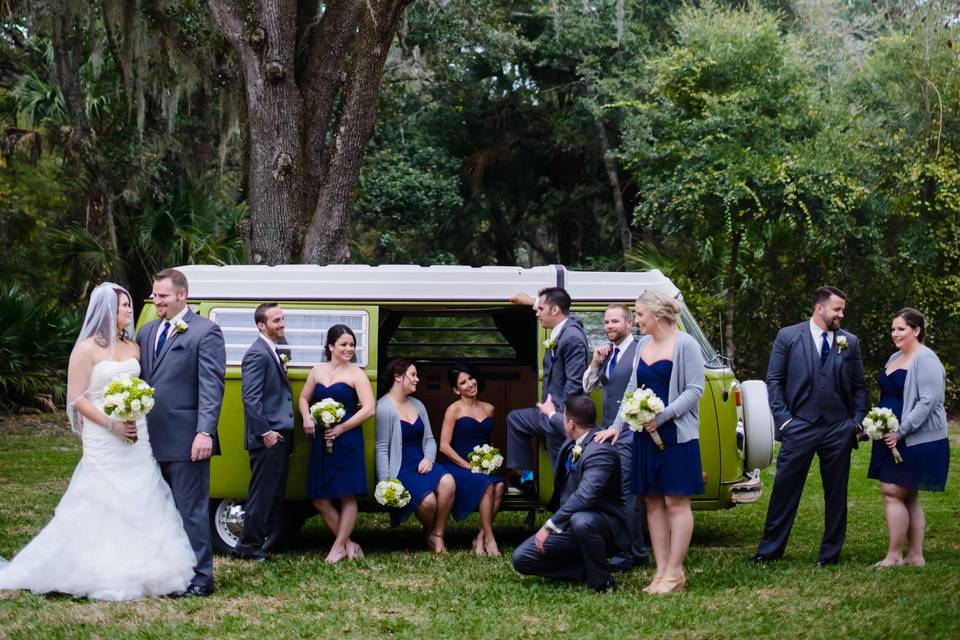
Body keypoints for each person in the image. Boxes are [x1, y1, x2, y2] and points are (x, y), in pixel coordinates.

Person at [0, 283, 195, 600]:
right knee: (102, 495)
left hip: (137, 431)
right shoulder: (86, 349)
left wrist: (136, 409)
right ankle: (93, 568)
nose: (129, 311)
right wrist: (111, 424)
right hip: (102, 434)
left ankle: (148, 566)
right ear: (108, 311)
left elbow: (140, 385)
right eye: (124, 306)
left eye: (129, 305)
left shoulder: (133, 346)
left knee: (143, 492)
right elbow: (77, 399)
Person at [596, 292, 704, 593]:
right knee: (653, 502)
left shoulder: (686, 344)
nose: (638, 320)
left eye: (640, 315)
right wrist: (618, 426)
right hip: (643, 434)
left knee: (675, 501)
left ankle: (675, 572)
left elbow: (695, 390)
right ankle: (659, 572)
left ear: (657, 314)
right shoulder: (643, 344)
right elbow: (632, 388)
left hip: (676, 435)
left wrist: (664, 416)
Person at [754, 286, 867, 567]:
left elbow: (859, 387)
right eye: (837, 309)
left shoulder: (849, 342)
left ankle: (830, 555)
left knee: (836, 493)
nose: (842, 314)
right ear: (819, 309)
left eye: (842, 309)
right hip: (799, 425)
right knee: (784, 489)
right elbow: (774, 381)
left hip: (838, 428)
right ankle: (769, 551)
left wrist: (854, 423)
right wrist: (786, 421)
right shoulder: (789, 336)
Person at [136, 268, 226, 597]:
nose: (156, 301)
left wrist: (205, 432)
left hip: (188, 439)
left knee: (192, 511)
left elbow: (212, 388)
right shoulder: (146, 332)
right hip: (148, 440)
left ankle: (202, 577)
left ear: (182, 295)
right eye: (154, 295)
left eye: (162, 296)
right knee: (158, 511)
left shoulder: (206, 332)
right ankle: (168, 575)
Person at [512, 395, 628, 593]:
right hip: (570, 522)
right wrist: (550, 413)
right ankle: (584, 570)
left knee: (581, 521)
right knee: (521, 558)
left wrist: (549, 525)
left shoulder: (601, 451)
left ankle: (602, 580)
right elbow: (560, 421)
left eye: (564, 417)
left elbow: (585, 496)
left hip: (603, 525)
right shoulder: (579, 433)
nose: (562, 420)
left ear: (572, 424)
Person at [868, 308, 950, 568]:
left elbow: (928, 402)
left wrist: (901, 430)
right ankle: (915, 556)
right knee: (907, 495)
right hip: (891, 434)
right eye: (893, 329)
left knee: (892, 490)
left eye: (901, 329)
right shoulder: (896, 356)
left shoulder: (926, 359)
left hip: (917, 436)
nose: (895, 334)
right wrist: (877, 423)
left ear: (917, 330)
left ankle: (894, 556)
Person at [582, 303, 649, 571]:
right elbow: (588, 386)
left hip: (630, 433)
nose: (609, 326)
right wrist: (596, 362)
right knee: (614, 493)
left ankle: (633, 552)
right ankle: (630, 548)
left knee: (627, 495)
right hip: (608, 432)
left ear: (630, 323)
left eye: (614, 322)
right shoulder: (607, 354)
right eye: (606, 322)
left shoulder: (640, 351)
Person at [300, 324, 374, 562]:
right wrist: (306, 417)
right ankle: (349, 544)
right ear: (331, 346)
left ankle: (338, 547)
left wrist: (342, 427)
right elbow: (303, 398)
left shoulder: (357, 373)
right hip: (322, 440)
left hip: (348, 439)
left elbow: (370, 409)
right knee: (319, 498)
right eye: (343, 344)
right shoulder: (317, 370)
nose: (349, 349)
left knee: (347, 495)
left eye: (352, 344)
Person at [506, 287, 588, 495]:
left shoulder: (572, 338)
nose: (536, 312)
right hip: (546, 411)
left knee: (562, 473)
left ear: (554, 310)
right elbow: (554, 307)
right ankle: (527, 479)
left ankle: (568, 519)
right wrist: (530, 301)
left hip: (561, 417)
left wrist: (557, 416)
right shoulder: (563, 326)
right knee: (515, 419)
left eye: (540, 309)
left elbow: (574, 384)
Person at [233, 303, 294, 562]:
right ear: (261, 325)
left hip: (280, 436)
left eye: (282, 319)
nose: (281, 324)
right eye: (276, 320)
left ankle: (255, 544)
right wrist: (266, 432)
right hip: (269, 438)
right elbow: (250, 399)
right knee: (262, 493)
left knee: (273, 493)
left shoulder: (273, 350)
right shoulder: (257, 354)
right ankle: (249, 547)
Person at [375, 359, 455, 555]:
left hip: (421, 461)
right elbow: (382, 448)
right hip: (400, 466)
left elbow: (429, 439)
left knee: (448, 483)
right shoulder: (384, 407)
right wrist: (386, 482)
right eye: (413, 375)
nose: (417, 379)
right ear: (397, 376)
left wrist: (429, 458)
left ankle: (437, 534)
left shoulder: (418, 404)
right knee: (429, 503)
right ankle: (429, 532)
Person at [437, 363, 506, 556]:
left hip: (481, 465)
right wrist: (468, 466)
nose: (469, 384)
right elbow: (443, 446)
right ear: (455, 389)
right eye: (463, 382)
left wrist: (490, 459)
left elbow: (489, 441)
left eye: (471, 378)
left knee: (499, 485)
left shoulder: (489, 408)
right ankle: (490, 539)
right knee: (487, 485)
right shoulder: (454, 410)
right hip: (457, 464)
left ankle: (481, 536)